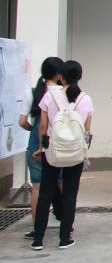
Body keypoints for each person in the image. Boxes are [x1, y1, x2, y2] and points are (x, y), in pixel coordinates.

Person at [31, 60, 93, 251]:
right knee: (70, 194)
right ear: (80, 76)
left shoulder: (49, 96)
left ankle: (38, 239)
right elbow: (86, 131)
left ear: (61, 76)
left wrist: (41, 147)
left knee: (45, 194)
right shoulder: (85, 99)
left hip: (53, 151)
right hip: (75, 152)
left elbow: (43, 126)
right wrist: (84, 151)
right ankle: (65, 238)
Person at [18, 57, 64, 240]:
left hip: (35, 145)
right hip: (58, 144)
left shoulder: (32, 93)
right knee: (60, 183)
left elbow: (22, 121)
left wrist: (32, 130)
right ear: (59, 74)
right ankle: (65, 224)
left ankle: (37, 228)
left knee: (37, 187)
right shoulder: (64, 93)